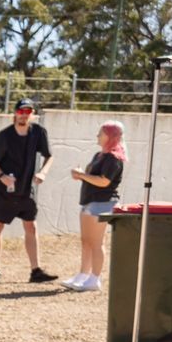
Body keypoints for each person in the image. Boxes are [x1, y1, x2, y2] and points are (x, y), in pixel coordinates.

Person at [0, 99, 58, 284]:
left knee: (31, 227)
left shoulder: (38, 133)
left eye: (28, 111)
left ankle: (35, 270)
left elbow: (49, 156)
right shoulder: (4, 136)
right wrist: (2, 176)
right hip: (5, 191)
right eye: (21, 111)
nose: (24, 114)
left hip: (27, 190)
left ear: (32, 114)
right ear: (15, 113)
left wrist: (43, 172)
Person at [60, 120, 126, 293]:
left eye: (101, 133)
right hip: (89, 201)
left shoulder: (114, 158)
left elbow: (104, 181)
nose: (98, 136)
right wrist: (81, 175)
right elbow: (91, 176)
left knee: (97, 242)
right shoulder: (99, 155)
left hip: (103, 203)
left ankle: (95, 278)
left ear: (110, 136)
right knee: (86, 241)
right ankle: (83, 275)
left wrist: (82, 175)